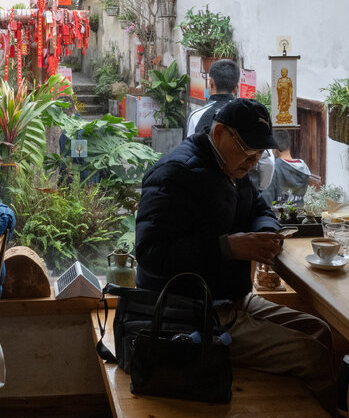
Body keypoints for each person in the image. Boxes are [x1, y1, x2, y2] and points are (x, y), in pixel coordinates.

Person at [136, 98, 336, 412]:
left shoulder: (231, 169)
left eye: (258, 153)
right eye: (246, 149)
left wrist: (267, 233)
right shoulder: (175, 175)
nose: (253, 161)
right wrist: (229, 247)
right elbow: (151, 254)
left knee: (320, 331)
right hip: (190, 314)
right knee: (313, 356)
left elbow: (260, 208)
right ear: (218, 134)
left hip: (231, 300)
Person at [184, 59, 275, 192]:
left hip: (206, 191)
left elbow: (189, 155)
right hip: (243, 193)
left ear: (211, 83)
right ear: (236, 87)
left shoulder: (196, 116)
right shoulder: (249, 116)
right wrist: (258, 188)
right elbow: (268, 162)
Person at [263, 129, 312, 205]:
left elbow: (266, 201)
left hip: (277, 216)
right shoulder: (303, 167)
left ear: (274, 149)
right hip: (297, 215)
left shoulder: (274, 168)